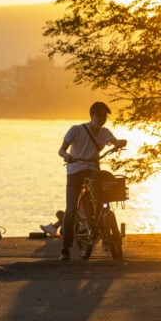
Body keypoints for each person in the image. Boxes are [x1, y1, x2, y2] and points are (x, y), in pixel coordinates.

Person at [58, 102, 127, 261]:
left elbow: (114, 141)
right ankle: (65, 248)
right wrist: (66, 156)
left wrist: (119, 144)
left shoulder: (104, 133)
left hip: (93, 170)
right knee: (71, 208)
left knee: (103, 198)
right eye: (99, 115)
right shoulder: (76, 130)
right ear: (92, 115)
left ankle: (103, 228)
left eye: (104, 116)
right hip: (75, 170)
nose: (102, 119)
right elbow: (61, 150)